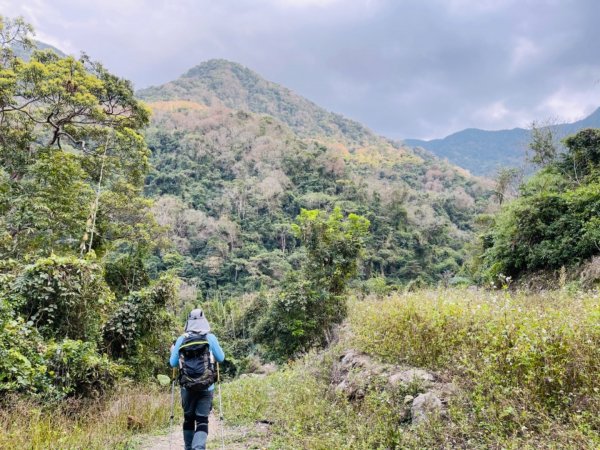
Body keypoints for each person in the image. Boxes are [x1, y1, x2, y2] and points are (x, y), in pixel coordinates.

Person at [170, 308, 225, 450]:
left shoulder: (182, 339)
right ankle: (198, 447)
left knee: (188, 419)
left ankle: (188, 447)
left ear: (188, 323)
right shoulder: (210, 338)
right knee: (202, 420)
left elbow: (173, 363)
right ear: (204, 322)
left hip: (187, 387)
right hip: (207, 386)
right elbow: (221, 358)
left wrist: (173, 350)